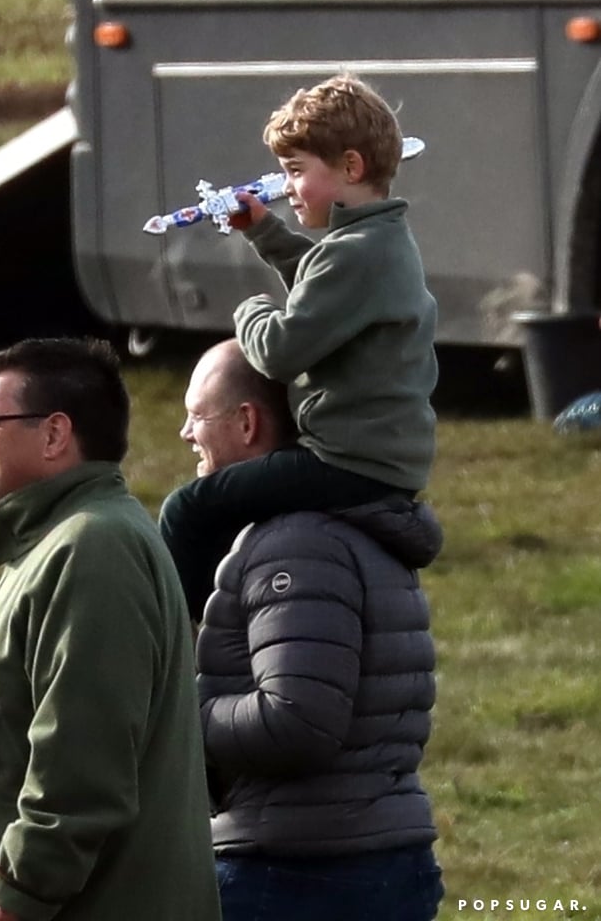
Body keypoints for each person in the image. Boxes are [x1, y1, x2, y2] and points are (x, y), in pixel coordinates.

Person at [0, 337, 220, 921]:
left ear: (55, 434)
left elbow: (81, 772)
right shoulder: (57, 545)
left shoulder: (94, 549)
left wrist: (13, 903)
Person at [182, 339, 444, 921]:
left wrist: (174, 713)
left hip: (305, 876)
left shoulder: (297, 543)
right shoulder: (326, 530)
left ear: (247, 423)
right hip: (350, 862)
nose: (184, 433)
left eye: (196, 416)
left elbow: (296, 721)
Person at [160, 72, 438, 619]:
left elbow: (281, 351)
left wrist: (250, 310)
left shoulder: (354, 253)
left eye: (295, 171)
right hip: (378, 459)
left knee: (190, 509)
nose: (286, 187)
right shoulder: (376, 242)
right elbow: (324, 292)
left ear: (351, 167)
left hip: (348, 462)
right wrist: (263, 230)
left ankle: (180, 639)